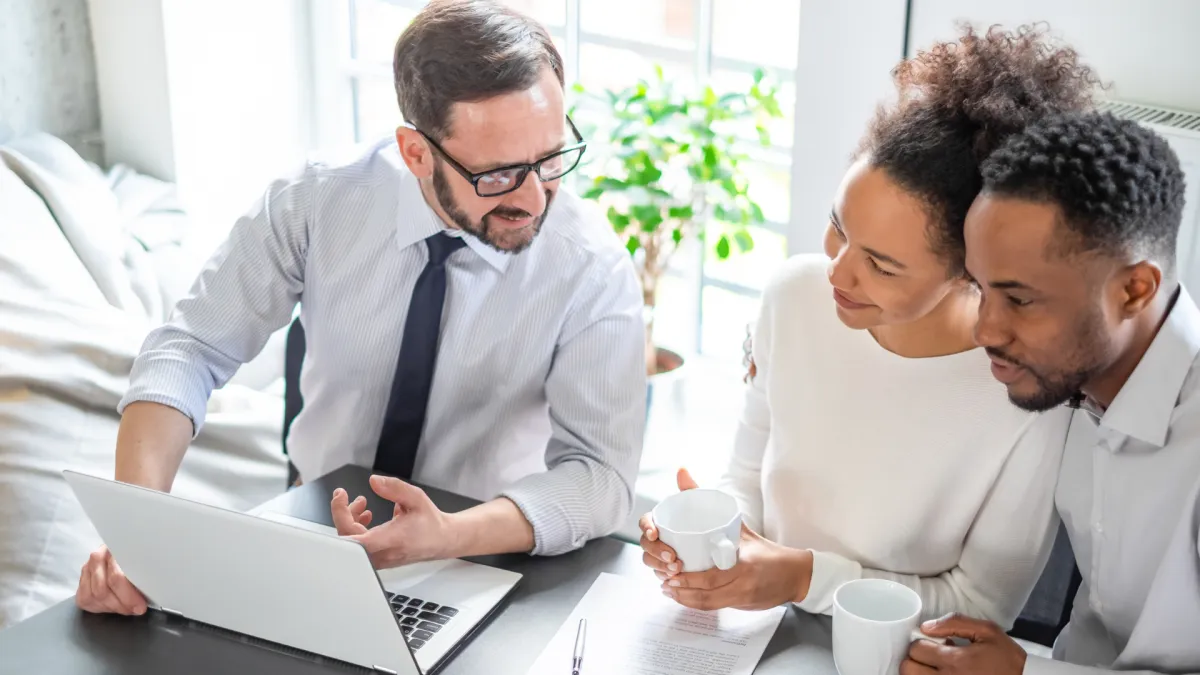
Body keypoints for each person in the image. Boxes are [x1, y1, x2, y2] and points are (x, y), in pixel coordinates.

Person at [74, 0, 645, 617]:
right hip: (311, 529)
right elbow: (190, 349)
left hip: (491, 554)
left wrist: (451, 534)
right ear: (415, 152)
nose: (535, 198)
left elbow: (599, 475)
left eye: (552, 157)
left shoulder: (590, 265)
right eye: (500, 175)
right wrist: (138, 527)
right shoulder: (318, 201)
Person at [638, 24, 1099, 625]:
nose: (837, 272)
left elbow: (983, 609)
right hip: (758, 637)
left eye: (881, 265)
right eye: (839, 227)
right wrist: (707, 534)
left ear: (973, 272)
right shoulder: (794, 295)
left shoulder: (1025, 390)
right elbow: (746, 477)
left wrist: (803, 577)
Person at [902, 113, 1200, 674]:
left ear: (1134, 290)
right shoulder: (1070, 381)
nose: (985, 331)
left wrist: (1024, 673)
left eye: (1019, 300)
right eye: (980, 288)